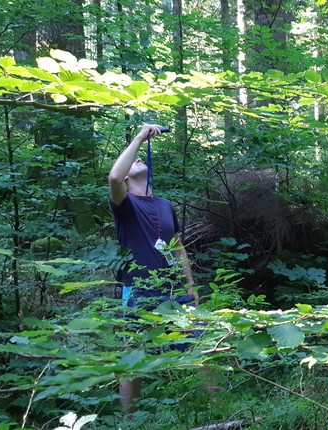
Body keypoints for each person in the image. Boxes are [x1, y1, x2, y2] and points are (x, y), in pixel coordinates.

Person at [108, 123, 200, 409]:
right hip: (137, 289)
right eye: (131, 161)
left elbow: (177, 246)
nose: (137, 160)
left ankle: (218, 409)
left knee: (203, 347)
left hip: (173, 290)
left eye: (139, 157)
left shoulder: (164, 204)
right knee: (132, 356)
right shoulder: (124, 204)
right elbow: (113, 175)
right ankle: (129, 421)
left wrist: (190, 284)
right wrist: (139, 136)